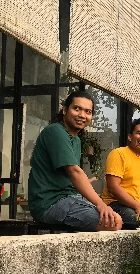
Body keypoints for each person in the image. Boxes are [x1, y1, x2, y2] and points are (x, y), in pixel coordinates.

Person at [28, 91, 122, 231]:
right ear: (65, 110)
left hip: (69, 198)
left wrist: (90, 192)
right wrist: (100, 203)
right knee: (111, 223)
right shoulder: (55, 131)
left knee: (116, 218)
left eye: (88, 111)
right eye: (76, 108)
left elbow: (73, 175)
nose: (82, 115)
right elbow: (74, 172)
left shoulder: (76, 140)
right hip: (49, 203)